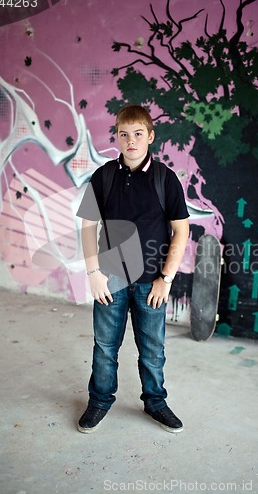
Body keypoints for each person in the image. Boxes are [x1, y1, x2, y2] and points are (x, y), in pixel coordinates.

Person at [76, 105, 189, 433]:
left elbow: (181, 230)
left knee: (153, 348)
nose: (131, 140)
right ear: (117, 137)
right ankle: (98, 401)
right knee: (105, 346)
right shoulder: (105, 176)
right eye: (124, 134)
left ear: (150, 136)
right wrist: (94, 273)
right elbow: (87, 226)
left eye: (138, 134)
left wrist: (165, 279)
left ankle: (155, 401)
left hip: (152, 282)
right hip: (110, 279)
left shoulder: (164, 179)